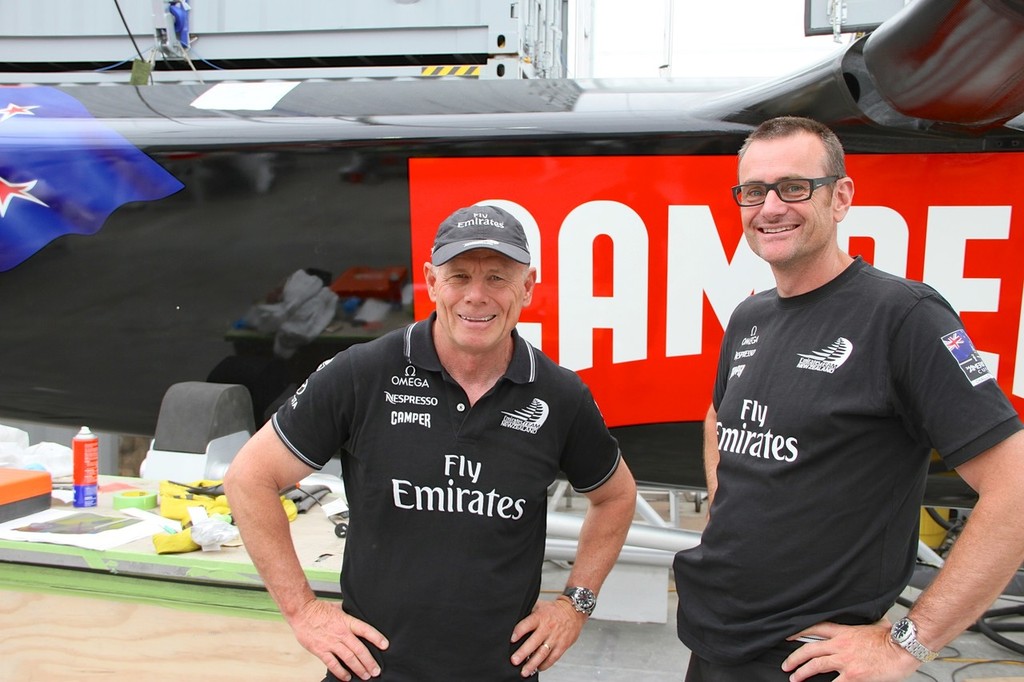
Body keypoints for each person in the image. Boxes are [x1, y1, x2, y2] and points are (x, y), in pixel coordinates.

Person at [673, 116, 1024, 681]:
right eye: (753, 191)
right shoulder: (750, 315)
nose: (770, 207)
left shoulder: (904, 316)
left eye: (793, 187)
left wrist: (909, 642)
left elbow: (1016, 488)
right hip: (713, 638)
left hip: (812, 659)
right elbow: (722, 418)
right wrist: (726, 512)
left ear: (840, 197)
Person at [224, 204, 637, 682]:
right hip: (373, 670)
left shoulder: (560, 396)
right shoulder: (364, 372)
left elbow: (616, 496)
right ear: (431, 281)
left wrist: (575, 605)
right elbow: (249, 477)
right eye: (459, 276)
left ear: (527, 287)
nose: (476, 297)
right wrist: (303, 611)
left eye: (498, 278)